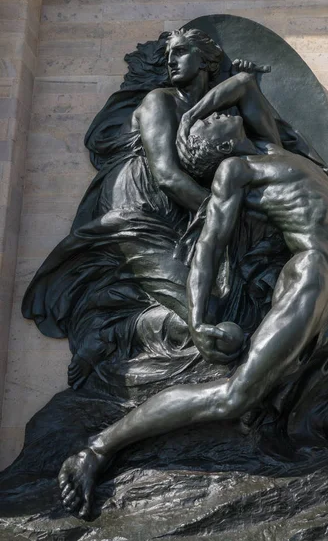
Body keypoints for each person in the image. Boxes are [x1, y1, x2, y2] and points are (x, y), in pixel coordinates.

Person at [58, 72, 328, 518]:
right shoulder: (236, 171)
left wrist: (191, 114)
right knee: (234, 396)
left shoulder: (274, 147)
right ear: (218, 149)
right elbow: (208, 249)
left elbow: (244, 85)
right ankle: (98, 448)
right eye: (209, 125)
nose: (219, 116)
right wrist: (198, 317)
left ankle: (286, 413)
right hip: (312, 280)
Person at [22, 30, 291, 392]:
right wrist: (230, 217)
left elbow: (273, 153)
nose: (171, 60)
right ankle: (113, 331)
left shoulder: (219, 113)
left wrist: (245, 88)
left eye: (181, 52)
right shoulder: (158, 102)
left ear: (208, 62)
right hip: (138, 212)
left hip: (185, 216)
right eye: (168, 54)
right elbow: (166, 176)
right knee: (209, 319)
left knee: (238, 311)